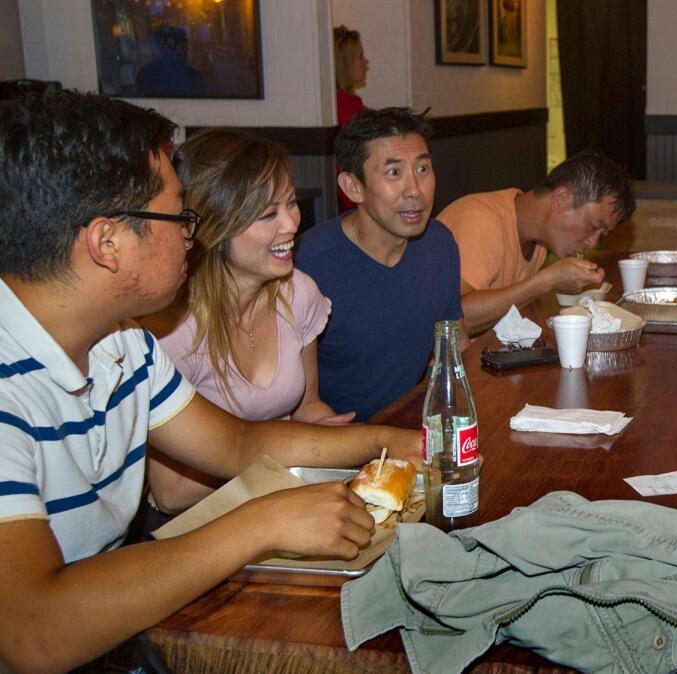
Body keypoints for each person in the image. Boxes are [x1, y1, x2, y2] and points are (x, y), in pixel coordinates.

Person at [0, 89, 420, 672]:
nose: (191, 236)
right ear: (107, 243)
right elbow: (32, 634)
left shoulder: (123, 343)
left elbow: (240, 444)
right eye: (179, 216)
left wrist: (398, 442)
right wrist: (265, 521)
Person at [142, 129, 355, 516]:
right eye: (267, 214)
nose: (291, 224)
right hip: (192, 524)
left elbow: (307, 409)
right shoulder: (173, 329)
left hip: (275, 498)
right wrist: (295, 447)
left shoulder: (298, 292)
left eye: (291, 204)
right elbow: (170, 492)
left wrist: (338, 439)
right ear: (216, 227)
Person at [295, 107, 463, 421]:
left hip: (414, 426)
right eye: (394, 173)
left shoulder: (439, 243)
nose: (415, 190)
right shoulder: (308, 264)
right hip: (338, 447)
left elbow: (455, 346)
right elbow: (304, 408)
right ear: (353, 187)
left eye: (423, 169)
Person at [438, 151, 636, 336]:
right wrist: (548, 279)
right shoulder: (479, 220)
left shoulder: (539, 243)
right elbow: (455, 319)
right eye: (593, 225)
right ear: (561, 198)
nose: (592, 242)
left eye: (601, 236)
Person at [334, 25, 370, 214]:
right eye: (359, 56)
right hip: (350, 195)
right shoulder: (342, 106)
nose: (366, 62)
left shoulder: (351, 103)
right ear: (344, 63)